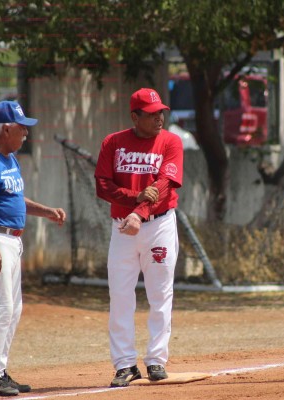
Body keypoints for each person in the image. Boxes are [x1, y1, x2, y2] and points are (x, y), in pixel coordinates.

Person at [0, 101, 66, 397]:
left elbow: (14, 199)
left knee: (13, 309)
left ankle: (0, 371)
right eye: (22, 128)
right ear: (6, 129)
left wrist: (46, 211)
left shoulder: (9, 158)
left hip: (10, 241)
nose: (25, 134)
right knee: (1, 309)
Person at [94, 88, 184, 387]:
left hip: (158, 226)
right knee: (120, 295)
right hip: (122, 227)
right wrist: (134, 201)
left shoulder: (170, 141)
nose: (159, 117)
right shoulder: (113, 142)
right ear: (135, 116)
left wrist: (140, 213)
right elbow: (103, 185)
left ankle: (156, 360)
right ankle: (125, 364)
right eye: (151, 113)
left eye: (161, 111)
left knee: (159, 294)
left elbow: (166, 185)